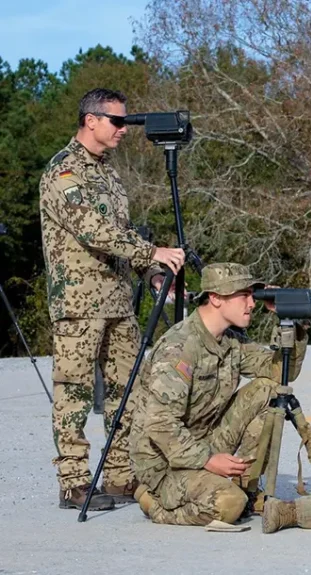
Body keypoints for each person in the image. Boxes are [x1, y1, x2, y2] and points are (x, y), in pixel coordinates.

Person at [39, 87, 186, 511]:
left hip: (119, 302)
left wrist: (152, 272)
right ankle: (73, 482)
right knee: (75, 393)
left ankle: (121, 475)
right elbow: (93, 231)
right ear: (91, 120)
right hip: (79, 305)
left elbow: (123, 235)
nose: (124, 129)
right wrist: (152, 252)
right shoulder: (64, 172)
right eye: (117, 122)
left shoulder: (108, 174)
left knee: (132, 388)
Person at [129, 263, 308, 528]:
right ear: (215, 298)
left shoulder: (231, 340)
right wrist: (209, 460)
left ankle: (247, 488)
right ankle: (154, 502)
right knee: (228, 505)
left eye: (254, 295)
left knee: (269, 390)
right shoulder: (179, 348)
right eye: (244, 295)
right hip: (164, 463)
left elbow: (281, 372)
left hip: (201, 442)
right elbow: (161, 425)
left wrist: (290, 321)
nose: (252, 303)